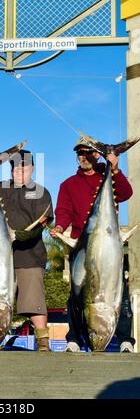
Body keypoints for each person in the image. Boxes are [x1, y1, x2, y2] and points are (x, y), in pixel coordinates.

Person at [50, 137, 135, 353]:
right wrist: (60, 227)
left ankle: (126, 340)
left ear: (97, 154)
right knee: (76, 293)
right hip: (81, 248)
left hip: (109, 247)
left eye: (87, 153)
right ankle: (75, 339)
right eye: (79, 154)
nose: (83, 157)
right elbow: (64, 212)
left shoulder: (106, 177)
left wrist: (114, 169)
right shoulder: (68, 184)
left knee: (119, 291)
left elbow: (126, 194)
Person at [0, 150, 54, 351]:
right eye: (16, 166)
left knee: (34, 300)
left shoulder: (41, 192)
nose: (20, 169)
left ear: (32, 169)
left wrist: (21, 235)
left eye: (25, 166)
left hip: (29, 256)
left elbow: (42, 223)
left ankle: (43, 342)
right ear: (11, 169)